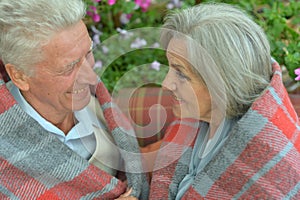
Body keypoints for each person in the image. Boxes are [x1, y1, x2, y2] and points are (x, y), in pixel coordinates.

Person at [148, 3, 300, 199]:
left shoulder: (265, 171)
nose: (166, 83)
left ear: (223, 82)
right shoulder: (198, 119)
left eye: (181, 74)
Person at [0, 0, 147, 199]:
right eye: (69, 67)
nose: (91, 78)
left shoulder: (101, 109)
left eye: (88, 54)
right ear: (20, 76)